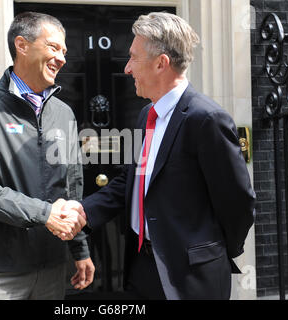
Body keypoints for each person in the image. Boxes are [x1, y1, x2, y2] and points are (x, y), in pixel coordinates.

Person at [60, 12, 256, 300]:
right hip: (142, 267)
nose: (127, 68)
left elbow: (238, 201)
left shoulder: (206, 119)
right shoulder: (145, 115)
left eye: (133, 57)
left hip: (192, 276)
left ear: (161, 63)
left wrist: (210, 251)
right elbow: (132, 180)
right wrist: (84, 210)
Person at [0, 12, 94, 300]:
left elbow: (72, 188)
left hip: (52, 269)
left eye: (64, 50)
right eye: (54, 47)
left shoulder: (64, 113)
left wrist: (80, 248)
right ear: (22, 45)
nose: (62, 58)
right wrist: (45, 214)